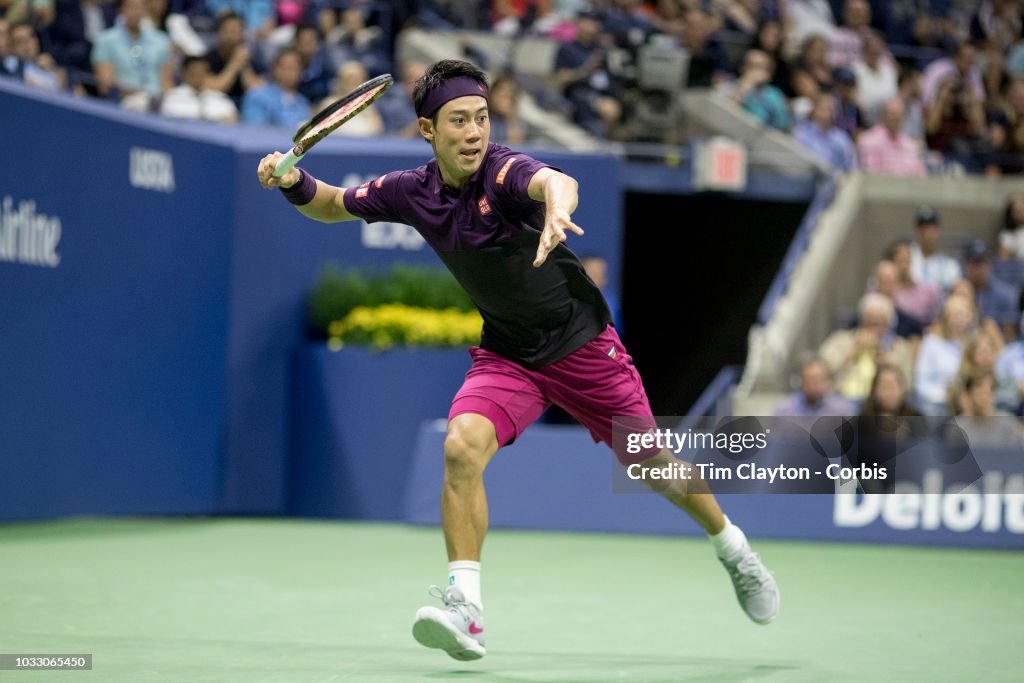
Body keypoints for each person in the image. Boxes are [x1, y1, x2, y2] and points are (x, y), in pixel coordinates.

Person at [256, 58, 779, 662]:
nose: (475, 132)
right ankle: (465, 608)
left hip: (584, 348)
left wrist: (558, 204)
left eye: (481, 117)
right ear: (428, 131)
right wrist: (291, 180)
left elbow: (553, 181)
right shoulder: (411, 191)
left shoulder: (504, 171)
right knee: (460, 448)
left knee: (650, 463)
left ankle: (734, 549)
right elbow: (332, 203)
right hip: (510, 355)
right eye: (459, 121)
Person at [91, 0, 173, 110]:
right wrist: (139, 94)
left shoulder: (161, 41)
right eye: (132, 7)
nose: (136, 12)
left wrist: (163, 99)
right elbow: (106, 84)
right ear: (122, 9)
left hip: (158, 103)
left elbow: (166, 82)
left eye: (140, 8)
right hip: (123, 102)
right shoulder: (106, 40)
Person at [241, 47, 310, 130]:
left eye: (294, 68)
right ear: (274, 69)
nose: (289, 72)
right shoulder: (257, 96)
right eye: (285, 67)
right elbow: (254, 130)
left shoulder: (302, 102)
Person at [857, 97, 927, 176]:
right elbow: (869, 173)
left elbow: (921, 175)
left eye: (899, 114)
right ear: (883, 115)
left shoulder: (911, 145)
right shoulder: (868, 140)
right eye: (891, 113)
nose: (895, 118)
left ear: (904, 117)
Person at [159, 54, 239, 123]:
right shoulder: (173, 97)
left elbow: (231, 115)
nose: (198, 75)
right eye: (194, 71)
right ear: (184, 72)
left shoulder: (219, 98)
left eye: (202, 71)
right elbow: (171, 114)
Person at [774, 356, 855, 417]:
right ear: (801, 381)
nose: (812, 385)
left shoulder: (843, 411)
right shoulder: (785, 411)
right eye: (808, 379)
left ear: (827, 381)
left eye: (817, 379)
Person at [910, 205, 961, 294]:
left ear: (938, 231)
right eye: (923, 229)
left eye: (931, 229)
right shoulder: (906, 261)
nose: (927, 234)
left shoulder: (949, 265)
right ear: (917, 231)